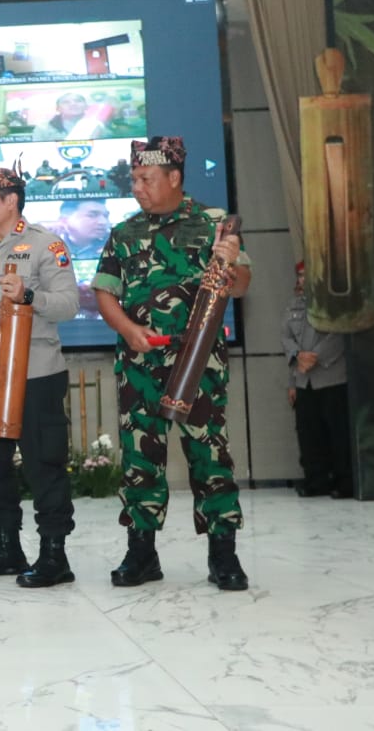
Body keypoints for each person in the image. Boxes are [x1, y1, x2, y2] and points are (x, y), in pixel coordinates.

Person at [90, 136, 251, 592]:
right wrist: (126, 330)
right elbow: (104, 291)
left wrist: (232, 262)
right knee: (141, 457)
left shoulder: (214, 225)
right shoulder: (124, 233)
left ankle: (224, 555)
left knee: (209, 454)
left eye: (146, 179)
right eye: (134, 179)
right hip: (140, 363)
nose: (137, 187)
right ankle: (141, 553)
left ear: (174, 177)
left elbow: (240, 285)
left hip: (198, 361)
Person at [0, 168, 80, 588]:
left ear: (11, 201)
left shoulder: (46, 246)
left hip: (34, 377)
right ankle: (8, 548)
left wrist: (28, 295)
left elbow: (68, 305)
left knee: (45, 466)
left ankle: (54, 556)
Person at [282, 261, 352, 498]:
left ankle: (344, 481)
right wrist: (296, 360)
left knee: (338, 432)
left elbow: (339, 333)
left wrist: (316, 357)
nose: (302, 279)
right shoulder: (294, 306)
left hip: (331, 376)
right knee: (308, 433)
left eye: (306, 275)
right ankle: (316, 481)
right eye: (299, 275)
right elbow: (286, 337)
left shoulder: (334, 302)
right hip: (303, 379)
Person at [32, 92, 108, 142]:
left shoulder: (96, 125)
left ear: (86, 106)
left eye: (78, 101)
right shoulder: (43, 128)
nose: (73, 104)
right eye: (66, 102)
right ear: (58, 108)